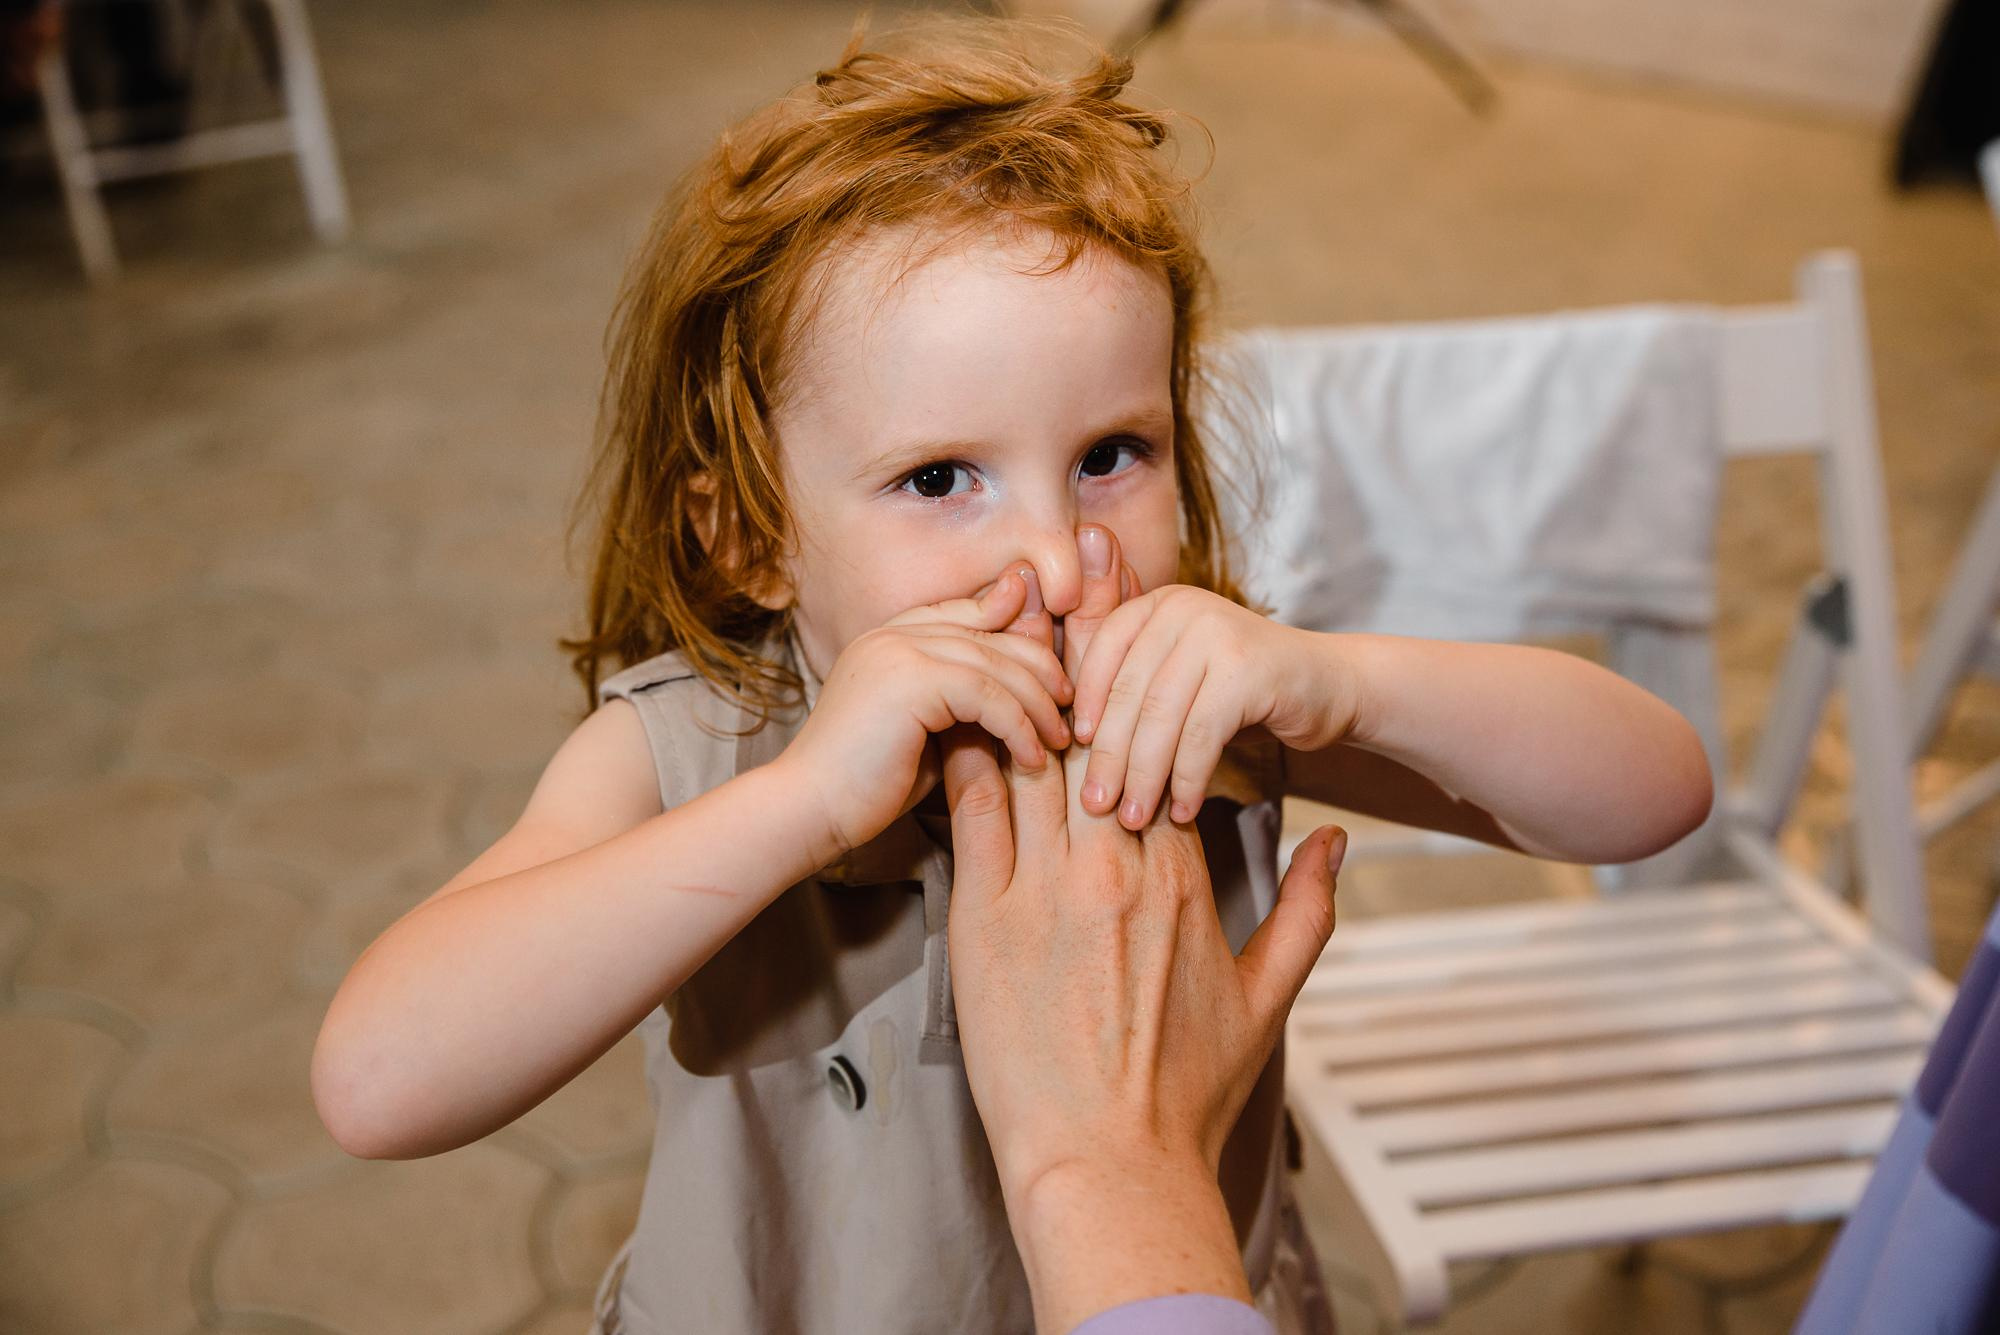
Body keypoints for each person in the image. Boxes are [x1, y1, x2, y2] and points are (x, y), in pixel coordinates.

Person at [310, 18, 1714, 1335]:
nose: (1051, 550)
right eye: (938, 479)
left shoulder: (1203, 710)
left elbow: (1653, 791)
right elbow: (381, 1083)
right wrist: (797, 804)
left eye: (1112, 453)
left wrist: (1336, 679)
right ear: (747, 535)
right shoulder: (692, 749)